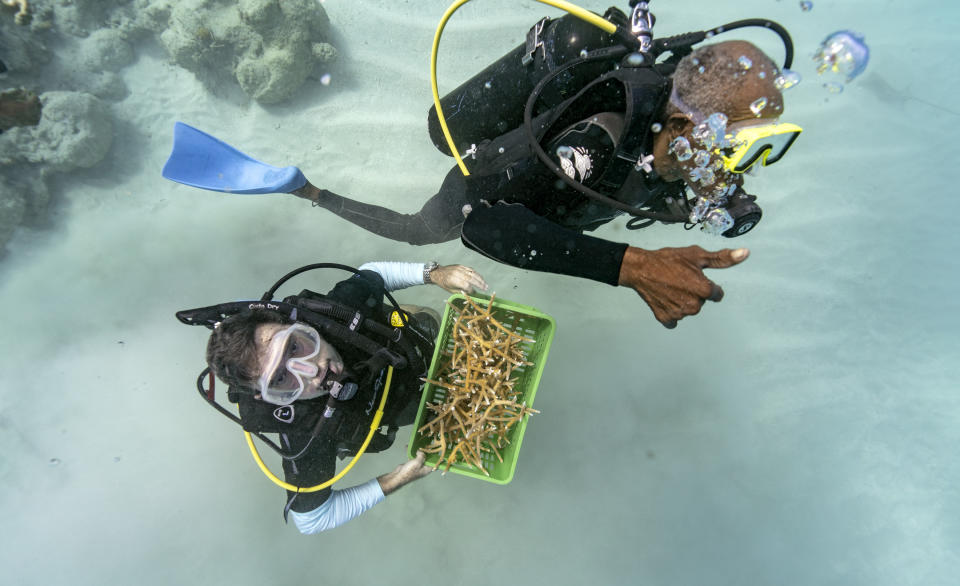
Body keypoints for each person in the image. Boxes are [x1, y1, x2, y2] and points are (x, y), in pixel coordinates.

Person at [290, 38, 801, 328]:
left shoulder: (686, 157)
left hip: (561, 207)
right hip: (483, 187)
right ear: (687, 129)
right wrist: (635, 267)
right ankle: (313, 193)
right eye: (742, 147)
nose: (743, 168)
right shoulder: (594, 147)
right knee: (416, 231)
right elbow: (485, 227)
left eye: (769, 145)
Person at [190, 260, 488, 533]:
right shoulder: (304, 432)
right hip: (388, 408)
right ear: (269, 397)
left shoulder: (332, 312)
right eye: (280, 379)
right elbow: (311, 519)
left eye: (294, 346)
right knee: (437, 409)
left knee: (427, 319)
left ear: (298, 324)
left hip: (391, 349)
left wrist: (434, 274)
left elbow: (374, 274)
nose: (312, 372)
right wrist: (397, 479)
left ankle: (411, 324)